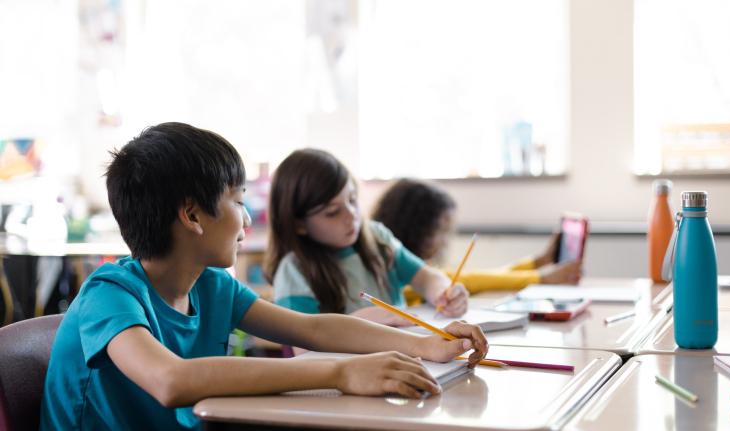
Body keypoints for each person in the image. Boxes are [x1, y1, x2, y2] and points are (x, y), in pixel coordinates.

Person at [39, 124, 488, 430]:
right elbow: (170, 380)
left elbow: (312, 328)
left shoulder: (210, 286)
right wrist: (342, 373)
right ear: (192, 215)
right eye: (238, 202)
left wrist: (424, 344)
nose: (248, 222)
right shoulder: (109, 295)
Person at [265, 149, 469, 327]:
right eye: (333, 212)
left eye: (352, 199)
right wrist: (359, 324)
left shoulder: (377, 237)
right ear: (299, 224)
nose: (351, 215)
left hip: (405, 356)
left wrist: (442, 292)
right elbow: (303, 350)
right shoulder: (293, 272)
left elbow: (426, 278)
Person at [371, 178, 582, 298]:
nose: (445, 241)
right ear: (416, 228)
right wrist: (541, 278)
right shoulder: (400, 278)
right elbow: (468, 280)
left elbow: (480, 278)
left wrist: (538, 263)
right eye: (441, 232)